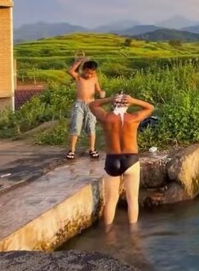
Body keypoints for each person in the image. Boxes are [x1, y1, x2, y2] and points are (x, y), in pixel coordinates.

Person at [89, 93, 154, 229]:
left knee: (111, 201)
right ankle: (133, 234)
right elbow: (150, 108)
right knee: (132, 200)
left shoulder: (106, 118)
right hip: (131, 159)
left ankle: (108, 234)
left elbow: (92, 105)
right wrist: (133, 100)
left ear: (113, 104)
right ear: (128, 105)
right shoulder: (133, 118)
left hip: (112, 159)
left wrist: (109, 99)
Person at [66, 57, 104, 160]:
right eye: (88, 73)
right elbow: (70, 71)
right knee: (76, 126)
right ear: (84, 70)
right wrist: (78, 62)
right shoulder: (78, 77)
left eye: (92, 73)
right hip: (79, 104)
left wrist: (101, 93)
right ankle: (72, 150)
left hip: (91, 104)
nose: (89, 75)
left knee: (91, 126)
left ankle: (92, 149)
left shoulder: (94, 78)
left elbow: (98, 90)